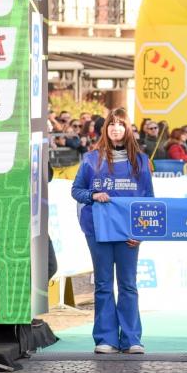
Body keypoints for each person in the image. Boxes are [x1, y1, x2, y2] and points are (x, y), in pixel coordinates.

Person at [71, 108, 154, 354]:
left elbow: (148, 199)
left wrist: (141, 232)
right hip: (98, 230)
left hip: (129, 233)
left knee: (128, 284)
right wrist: (94, 195)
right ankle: (105, 339)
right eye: (111, 124)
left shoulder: (140, 160)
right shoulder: (91, 159)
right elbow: (76, 191)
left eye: (120, 124)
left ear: (128, 129)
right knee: (104, 284)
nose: (115, 129)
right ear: (105, 129)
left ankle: (131, 338)